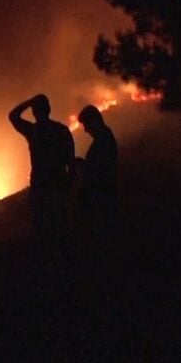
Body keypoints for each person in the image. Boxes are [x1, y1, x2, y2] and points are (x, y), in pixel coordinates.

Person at [8, 94, 75, 258]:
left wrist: (29, 101)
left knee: (42, 229)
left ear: (34, 113)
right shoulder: (62, 130)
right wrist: (69, 184)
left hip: (40, 185)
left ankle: (47, 263)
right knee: (59, 227)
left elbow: (13, 116)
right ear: (49, 110)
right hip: (58, 183)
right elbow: (70, 160)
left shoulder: (33, 131)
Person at [75, 105, 120, 266]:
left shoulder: (103, 141)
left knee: (101, 245)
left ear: (94, 121)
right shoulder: (104, 139)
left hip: (101, 201)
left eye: (86, 125)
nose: (86, 130)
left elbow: (101, 171)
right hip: (101, 200)